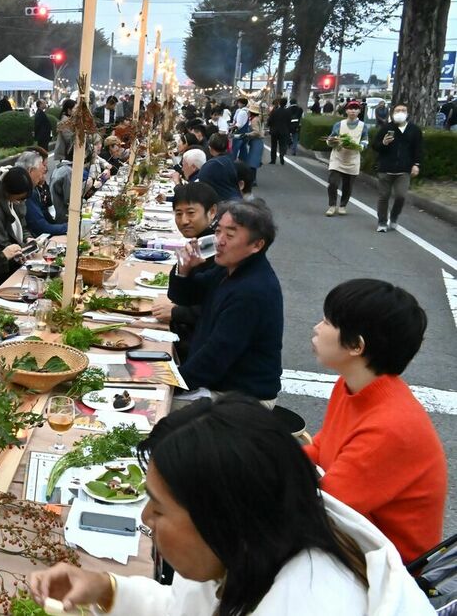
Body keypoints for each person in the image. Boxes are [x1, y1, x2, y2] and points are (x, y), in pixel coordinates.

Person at [28, 395, 435, 616]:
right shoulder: (256, 545)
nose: (144, 519)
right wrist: (106, 588)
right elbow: (187, 606)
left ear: (224, 517)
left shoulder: (310, 601)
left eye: (159, 506)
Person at [306, 279, 446, 563]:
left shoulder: (391, 427)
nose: (317, 328)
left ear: (356, 345)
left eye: (327, 321)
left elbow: (325, 508)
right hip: (353, 535)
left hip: (385, 567)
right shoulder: (352, 386)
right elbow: (321, 449)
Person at [169, 200, 283, 403]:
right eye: (218, 231)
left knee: (152, 411)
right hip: (218, 383)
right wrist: (184, 269)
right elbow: (185, 297)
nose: (219, 241)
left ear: (257, 245)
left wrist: (168, 383)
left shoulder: (252, 291)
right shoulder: (231, 267)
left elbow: (215, 357)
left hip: (240, 399)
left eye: (229, 235)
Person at [150, 183, 221, 361]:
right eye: (178, 214)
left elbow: (215, 308)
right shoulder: (199, 242)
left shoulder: (215, 248)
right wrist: (183, 270)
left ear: (212, 212)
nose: (183, 221)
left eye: (191, 213)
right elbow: (177, 296)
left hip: (203, 348)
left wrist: (176, 313)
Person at [373, 103, 423, 232]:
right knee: (383, 196)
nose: (400, 112)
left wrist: (416, 164)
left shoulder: (414, 130)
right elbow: (375, 146)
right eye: (397, 110)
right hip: (386, 168)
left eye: (403, 110)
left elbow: (418, 149)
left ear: (407, 113)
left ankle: (394, 217)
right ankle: (382, 222)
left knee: (401, 196)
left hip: (404, 170)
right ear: (393, 113)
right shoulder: (386, 128)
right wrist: (384, 143)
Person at [325, 101, 369, 217]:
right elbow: (331, 137)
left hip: (353, 159)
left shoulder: (363, 126)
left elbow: (365, 140)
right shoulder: (339, 124)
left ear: (359, 111)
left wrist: (361, 146)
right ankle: (332, 205)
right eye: (350, 109)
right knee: (333, 182)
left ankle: (343, 205)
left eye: (356, 109)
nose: (353, 111)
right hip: (337, 158)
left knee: (348, 185)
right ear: (346, 111)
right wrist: (332, 141)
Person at [20, 148, 67, 236]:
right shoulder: (28, 193)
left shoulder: (39, 187)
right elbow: (41, 227)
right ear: (30, 171)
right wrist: (68, 227)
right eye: (43, 167)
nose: (45, 170)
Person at [0, 165, 33, 248]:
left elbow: (23, 227)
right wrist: (23, 249)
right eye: (20, 198)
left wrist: (28, 239)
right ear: (7, 191)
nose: (21, 201)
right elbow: (2, 243)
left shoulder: (14, 202)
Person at [196, 133, 241, 201]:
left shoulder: (210, 165)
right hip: (236, 199)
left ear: (210, 147)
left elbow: (200, 185)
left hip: (221, 204)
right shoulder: (232, 160)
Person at [243, 102, 265, 186]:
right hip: (258, 142)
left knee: (252, 163)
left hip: (256, 141)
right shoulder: (258, 118)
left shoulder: (254, 120)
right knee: (254, 163)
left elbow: (256, 132)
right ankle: (253, 180)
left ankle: (252, 180)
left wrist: (247, 134)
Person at [52, 99, 76, 163]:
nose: (76, 110)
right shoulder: (64, 121)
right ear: (69, 110)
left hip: (67, 152)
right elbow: (69, 138)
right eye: (75, 108)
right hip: (65, 153)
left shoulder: (70, 120)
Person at [267, 97, 290, 164]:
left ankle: (273, 160)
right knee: (282, 144)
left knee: (273, 146)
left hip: (274, 130)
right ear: (286, 103)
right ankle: (282, 155)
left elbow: (270, 120)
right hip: (284, 130)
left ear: (279, 103)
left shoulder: (274, 111)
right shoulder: (288, 112)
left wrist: (269, 126)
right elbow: (289, 122)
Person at [229, 97, 250, 161]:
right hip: (244, 131)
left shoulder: (242, 112)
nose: (238, 104)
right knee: (243, 148)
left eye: (239, 103)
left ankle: (232, 161)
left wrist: (231, 128)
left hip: (239, 132)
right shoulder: (246, 111)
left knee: (235, 148)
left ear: (243, 104)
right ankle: (245, 161)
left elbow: (239, 124)